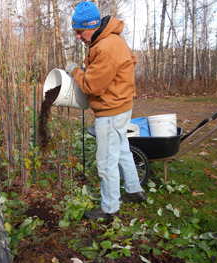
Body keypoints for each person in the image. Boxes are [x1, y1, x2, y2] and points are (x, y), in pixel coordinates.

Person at [65, 1, 147, 221]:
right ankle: (134, 190)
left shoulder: (105, 47)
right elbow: (130, 61)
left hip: (110, 112)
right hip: (122, 106)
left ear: (92, 26)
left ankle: (109, 209)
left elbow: (92, 86)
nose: (78, 37)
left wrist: (74, 70)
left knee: (106, 162)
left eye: (80, 32)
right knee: (121, 151)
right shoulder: (114, 39)